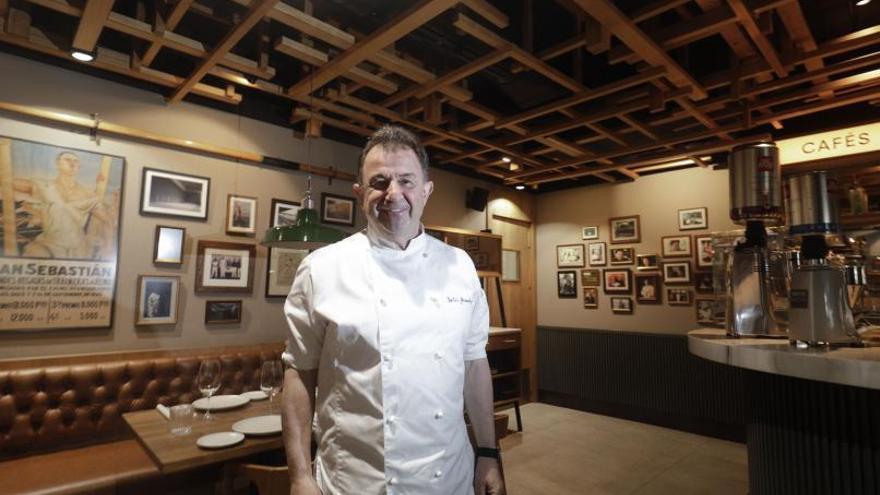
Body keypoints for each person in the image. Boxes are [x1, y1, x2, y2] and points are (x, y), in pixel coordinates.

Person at [281, 125, 504, 495]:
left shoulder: (460, 266)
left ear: (426, 191)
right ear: (359, 193)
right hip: (351, 481)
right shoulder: (321, 268)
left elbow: (474, 365)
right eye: (380, 182)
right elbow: (298, 375)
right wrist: (300, 476)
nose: (393, 194)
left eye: (406, 180)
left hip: (448, 477)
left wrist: (488, 452)